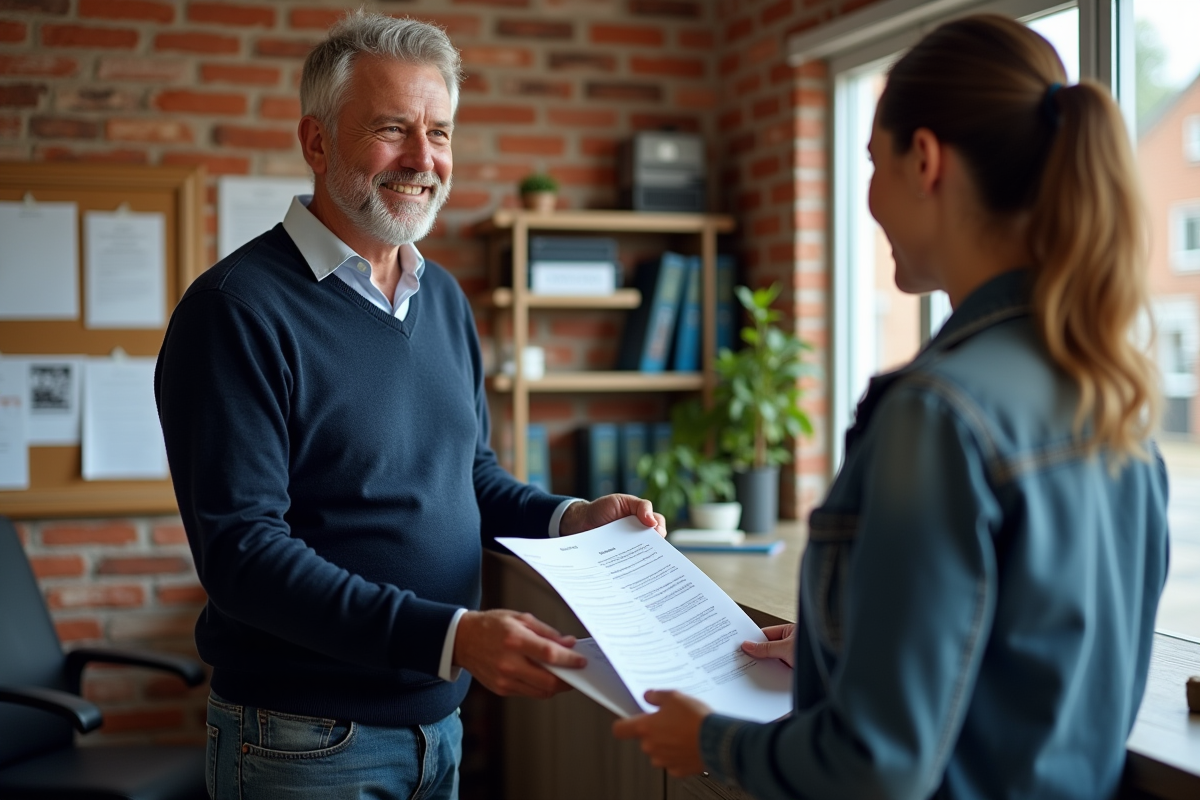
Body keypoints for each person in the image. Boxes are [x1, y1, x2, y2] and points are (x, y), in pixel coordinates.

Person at [614, 14, 1170, 799]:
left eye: (872, 161)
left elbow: (878, 767)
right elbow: (1034, 664)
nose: (868, 197)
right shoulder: (1115, 390)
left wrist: (711, 740)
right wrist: (846, 646)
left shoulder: (938, 415)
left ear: (925, 159)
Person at [155, 10, 664, 800]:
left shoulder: (444, 298)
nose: (424, 159)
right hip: (301, 741)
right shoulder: (235, 309)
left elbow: (470, 476)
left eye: (441, 132)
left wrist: (572, 519)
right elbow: (242, 557)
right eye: (393, 129)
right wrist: (451, 636)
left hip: (440, 728)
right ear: (317, 142)